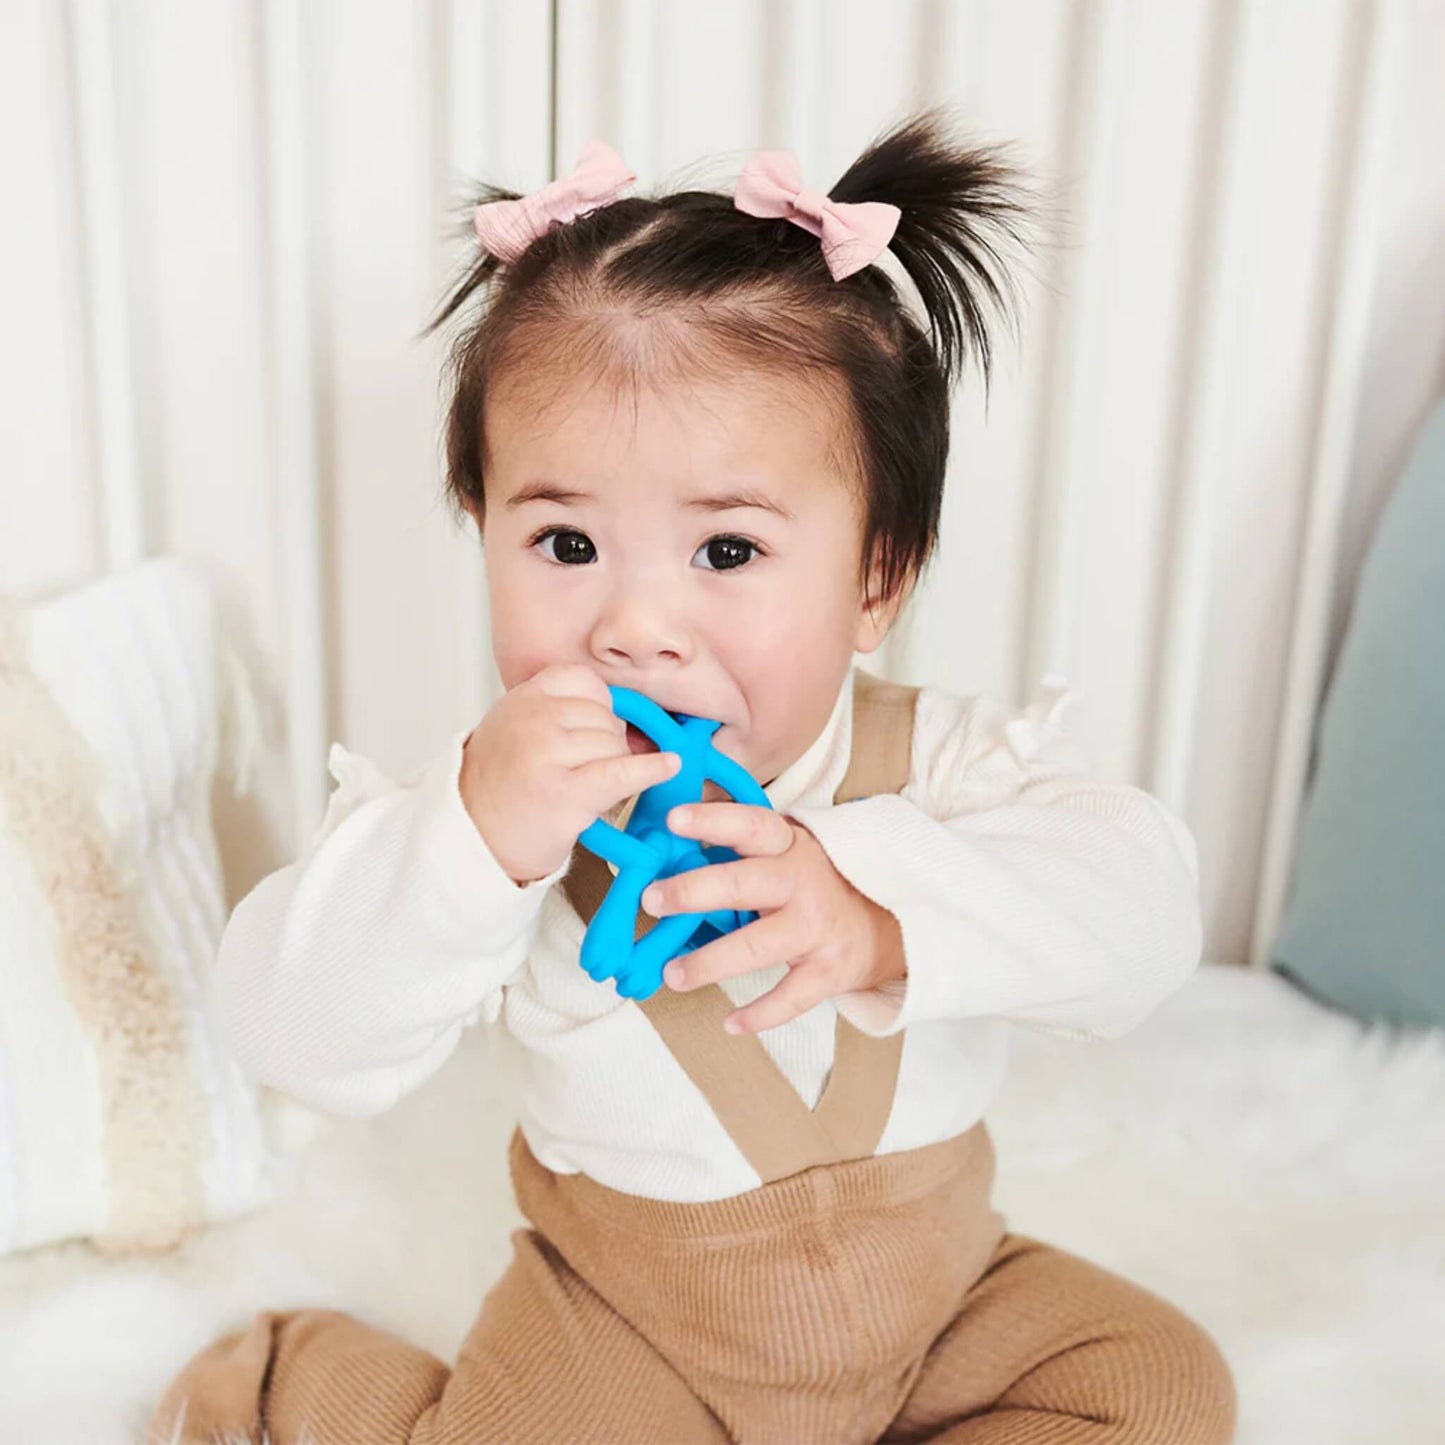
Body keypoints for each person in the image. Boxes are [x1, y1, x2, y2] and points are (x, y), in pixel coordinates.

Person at [149, 109, 1236, 1444]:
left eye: (724, 552)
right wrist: (465, 846)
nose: (635, 626)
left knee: (1159, 1382)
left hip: (939, 1302)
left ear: (875, 577)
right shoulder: (498, 811)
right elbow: (293, 1034)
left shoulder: (945, 767)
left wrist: (879, 907)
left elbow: (1141, 913)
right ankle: (298, 1383)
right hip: (630, 1335)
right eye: (562, 543)